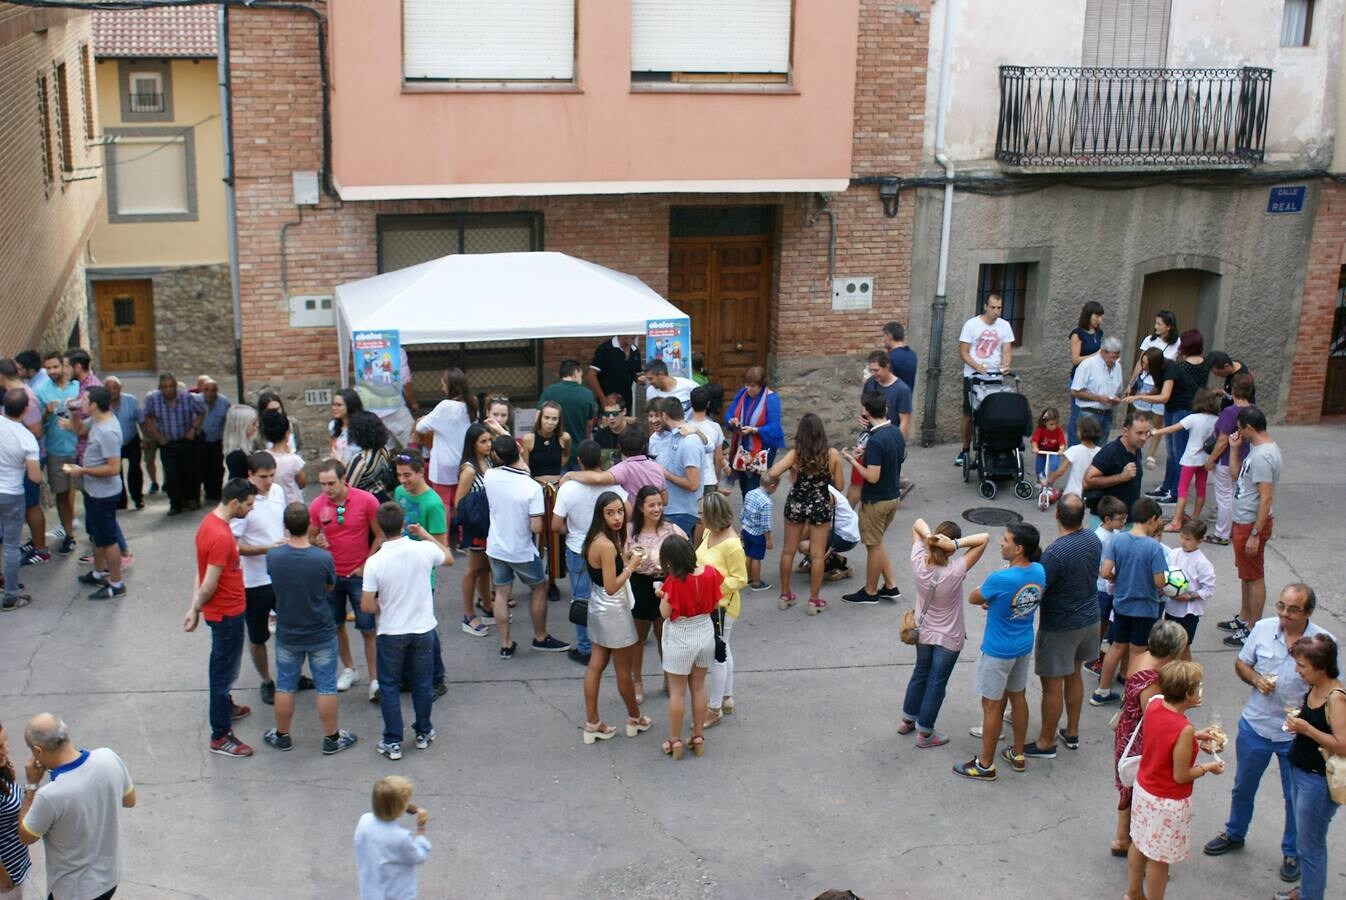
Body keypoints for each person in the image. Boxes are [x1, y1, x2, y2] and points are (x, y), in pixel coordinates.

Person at [1203, 584, 1333, 885]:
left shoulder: (1323, 641)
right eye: (1281, 606)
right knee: (1242, 787)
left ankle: (1292, 851)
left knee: (1294, 798)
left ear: (1308, 612)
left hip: (1296, 735)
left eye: (1293, 609)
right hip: (1256, 725)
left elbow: (1330, 686)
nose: (1284, 614)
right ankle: (1234, 833)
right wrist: (1256, 679)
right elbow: (1241, 664)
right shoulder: (1261, 629)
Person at [262, 502, 357, 755]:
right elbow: (328, 587)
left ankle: (282, 735)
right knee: (325, 686)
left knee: (285, 684)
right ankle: (331, 738)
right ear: (308, 525)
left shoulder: (274, 556)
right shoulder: (322, 558)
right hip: (320, 630)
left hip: (288, 630)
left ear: (286, 526)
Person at [953, 523, 1045, 781]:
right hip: (1023, 644)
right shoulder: (1038, 571)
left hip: (997, 650)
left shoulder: (1000, 578)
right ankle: (1017, 753)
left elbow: (974, 597)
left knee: (991, 706)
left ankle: (985, 764)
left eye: (1005, 540)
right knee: (1018, 697)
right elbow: (1021, 600)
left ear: (1019, 549)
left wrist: (991, 601)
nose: (1000, 543)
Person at [1126, 661, 1224, 900]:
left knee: (1139, 843)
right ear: (1188, 693)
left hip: (1144, 789)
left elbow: (1163, 737)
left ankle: (1133, 894)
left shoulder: (1155, 704)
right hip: (1167, 801)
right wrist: (1208, 767)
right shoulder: (1184, 728)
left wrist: (1194, 737)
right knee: (1159, 860)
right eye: (1197, 687)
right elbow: (1181, 775)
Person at [361, 502, 452, 760]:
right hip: (423, 627)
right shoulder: (423, 550)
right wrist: (425, 535)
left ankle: (392, 740)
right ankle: (423, 731)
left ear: (379, 527)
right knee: (422, 682)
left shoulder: (375, 562)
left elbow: (367, 604)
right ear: (402, 524)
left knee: (389, 686)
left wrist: (386, 606)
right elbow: (448, 557)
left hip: (391, 631)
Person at [15, 715, 135, 900]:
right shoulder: (108, 757)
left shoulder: (50, 796)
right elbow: (129, 800)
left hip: (73, 892)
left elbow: (25, 836)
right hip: (110, 878)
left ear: (38, 751)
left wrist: (31, 786)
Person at [1023, 495, 1102, 759]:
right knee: (1075, 674)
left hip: (1060, 627)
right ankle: (1072, 731)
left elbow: (1038, 589)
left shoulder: (1055, 553)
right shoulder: (1092, 539)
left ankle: (1045, 742)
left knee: (1052, 686)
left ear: (1057, 514)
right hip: (1090, 619)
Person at [900, 518, 990, 748]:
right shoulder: (955, 569)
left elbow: (917, 523)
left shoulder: (918, 560)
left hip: (923, 631)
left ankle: (908, 719)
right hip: (950, 637)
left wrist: (930, 535)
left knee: (920, 672)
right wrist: (956, 545)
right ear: (949, 548)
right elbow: (984, 539)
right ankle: (925, 734)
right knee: (937, 682)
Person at [185, 478, 258, 758]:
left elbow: (201, 573)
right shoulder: (221, 536)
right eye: (248, 505)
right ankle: (221, 735)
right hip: (226, 613)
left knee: (225, 668)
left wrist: (195, 607)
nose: (250, 510)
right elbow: (209, 583)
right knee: (222, 673)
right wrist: (196, 606)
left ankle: (225, 706)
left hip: (224, 611)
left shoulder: (209, 525)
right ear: (235, 503)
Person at [482, 435, 570, 659]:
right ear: (519, 451)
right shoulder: (531, 487)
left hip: (496, 546)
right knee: (538, 588)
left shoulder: (490, 476)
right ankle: (540, 637)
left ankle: (505, 643)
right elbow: (537, 527)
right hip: (521, 549)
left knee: (501, 593)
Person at [1110, 620, 1189, 857]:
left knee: (1128, 786)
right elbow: (1154, 718)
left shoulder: (1144, 657)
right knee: (1137, 787)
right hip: (1139, 740)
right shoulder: (1151, 680)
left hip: (1128, 731)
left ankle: (1122, 838)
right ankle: (1135, 843)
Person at [308, 459, 384, 699]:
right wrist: (316, 542)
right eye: (322, 484)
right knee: (336, 625)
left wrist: (366, 565)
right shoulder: (317, 505)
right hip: (330, 576)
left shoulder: (366, 500)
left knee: (368, 628)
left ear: (344, 480)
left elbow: (380, 535)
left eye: (331, 483)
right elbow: (309, 537)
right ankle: (349, 668)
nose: (326, 489)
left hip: (358, 576)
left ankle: (375, 678)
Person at [1278, 634, 1345, 900]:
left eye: (1302, 666)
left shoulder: (1336, 698)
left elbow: (1342, 744)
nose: (1297, 671)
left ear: (1321, 666)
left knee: (1311, 847)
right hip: (1300, 770)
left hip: (1317, 781)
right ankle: (1305, 891)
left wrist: (1307, 728)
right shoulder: (1313, 688)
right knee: (1306, 841)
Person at [577, 490, 647, 743]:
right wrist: (631, 566)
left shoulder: (598, 538)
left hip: (598, 607)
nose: (617, 517)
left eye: (619, 511)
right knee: (623, 671)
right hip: (613, 609)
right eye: (610, 513)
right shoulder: (606, 544)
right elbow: (611, 586)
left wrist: (625, 558)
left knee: (596, 665)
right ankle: (634, 718)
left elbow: (603, 577)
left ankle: (592, 722)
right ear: (600, 514)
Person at [553, 440, 628, 666]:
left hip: (578, 549)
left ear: (578, 461)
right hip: (608, 549)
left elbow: (556, 525)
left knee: (582, 599)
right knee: (610, 595)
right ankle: (613, 641)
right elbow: (630, 513)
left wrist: (572, 531)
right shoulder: (613, 487)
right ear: (601, 460)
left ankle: (586, 648)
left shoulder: (568, 487)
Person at [1092, 498, 1167, 705]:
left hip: (1121, 603)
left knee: (1116, 647)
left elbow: (1105, 571)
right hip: (1145, 608)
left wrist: (1118, 577)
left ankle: (1102, 691)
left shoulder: (1117, 540)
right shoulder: (1154, 547)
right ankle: (1130, 697)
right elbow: (1159, 581)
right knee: (1138, 652)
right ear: (1152, 519)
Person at [770, 412, 844, 614]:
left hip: (796, 503)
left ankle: (785, 595)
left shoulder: (796, 455)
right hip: (820, 504)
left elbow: (773, 472)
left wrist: (792, 471)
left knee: (788, 551)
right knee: (818, 554)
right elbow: (840, 485)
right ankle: (814, 600)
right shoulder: (833, 455)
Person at [231, 451, 287, 705]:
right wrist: (267, 549)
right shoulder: (243, 505)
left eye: (272, 475)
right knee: (257, 635)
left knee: (290, 627)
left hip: (280, 575)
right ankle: (266, 680)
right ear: (250, 475)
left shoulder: (277, 492)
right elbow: (233, 546)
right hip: (254, 581)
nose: (269, 481)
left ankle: (291, 674)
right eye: (263, 477)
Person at [1222, 406, 1280, 648]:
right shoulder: (1257, 451)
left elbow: (1265, 498)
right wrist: (1234, 450)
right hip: (1243, 521)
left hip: (1251, 524)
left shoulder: (1263, 456)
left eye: (1240, 430)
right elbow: (1237, 477)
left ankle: (1253, 627)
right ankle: (1244, 617)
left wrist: (1255, 533)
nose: (1239, 434)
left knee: (1254, 575)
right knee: (1246, 573)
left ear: (1249, 427)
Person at [657, 535, 719, 759]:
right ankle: (697, 735)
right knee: (699, 686)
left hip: (681, 636)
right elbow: (714, 601)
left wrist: (662, 595)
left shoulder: (673, 581)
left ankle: (674, 741)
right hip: (705, 631)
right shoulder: (710, 573)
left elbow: (665, 613)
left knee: (677, 692)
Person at [65, 388, 127, 601]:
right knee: (97, 535)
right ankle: (98, 572)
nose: (81, 402)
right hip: (93, 491)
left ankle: (116, 583)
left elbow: (112, 468)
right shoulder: (97, 420)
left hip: (104, 494)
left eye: (84, 400)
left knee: (108, 539)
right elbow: (79, 429)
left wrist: (82, 471)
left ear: (94, 405)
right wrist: (73, 411)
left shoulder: (107, 431)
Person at [625, 485, 685, 702]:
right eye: (651, 505)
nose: (656, 508)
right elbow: (621, 560)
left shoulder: (672, 530)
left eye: (659, 504)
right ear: (641, 507)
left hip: (664, 585)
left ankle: (669, 678)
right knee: (637, 638)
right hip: (638, 584)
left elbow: (686, 556)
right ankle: (637, 681)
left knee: (664, 636)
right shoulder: (630, 531)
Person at [841, 394, 902, 607]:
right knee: (878, 542)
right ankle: (891, 585)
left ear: (865, 411)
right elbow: (896, 458)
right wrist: (865, 454)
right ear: (885, 408)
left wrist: (852, 460)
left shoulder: (876, 440)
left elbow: (872, 477)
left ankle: (870, 591)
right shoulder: (895, 432)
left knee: (873, 546)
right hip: (893, 496)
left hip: (876, 501)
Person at [697, 494, 747, 728]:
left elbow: (740, 578)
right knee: (724, 648)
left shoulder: (732, 544)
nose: (699, 517)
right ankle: (726, 697)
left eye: (702, 514)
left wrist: (712, 588)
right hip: (712, 603)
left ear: (712, 516)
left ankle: (714, 707)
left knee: (717, 655)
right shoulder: (709, 533)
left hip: (722, 607)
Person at [955, 293, 1015, 467]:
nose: (996, 311)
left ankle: (993, 447)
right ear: (985, 306)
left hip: (995, 377)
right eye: (993, 307)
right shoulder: (972, 325)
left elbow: (1007, 351)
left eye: (999, 308)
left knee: (995, 413)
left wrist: (1006, 365)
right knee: (969, 414)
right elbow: (963, 352)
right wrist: (976, 366)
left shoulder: (1004, 326)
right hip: (973, 376)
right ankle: (965, 449)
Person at [1150, 387, 1220, 532]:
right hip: (1205, 459)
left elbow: (1172, 428)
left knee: (1182, 491)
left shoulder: (1193, 418)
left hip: (1190, 459)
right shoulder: (1216, 420)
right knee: (1201, 490)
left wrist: (1155, 431)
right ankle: (1194, 519)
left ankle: (1176, 521)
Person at [1152, 329, 1209, 505]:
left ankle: (1173, 490)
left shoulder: (1181, 366)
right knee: (1178, 451)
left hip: (1178, 408)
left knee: (1175, 452)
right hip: (1193, 408)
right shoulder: (1205, 364)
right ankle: (1169, 487)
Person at [521, 400, 569, 602]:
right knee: (536, 536)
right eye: (547, 418)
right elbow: (524, 466)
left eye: (554, 419)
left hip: (557, 491)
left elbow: (565, 458)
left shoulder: (564, 438)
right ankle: (536, 579)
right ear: (540, 418)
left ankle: (552, 582)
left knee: (556, 537)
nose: (550, 422)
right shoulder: (529, 438)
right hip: (536, 491)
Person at [0, 360, 47, 566]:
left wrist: (12, 439)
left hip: (29, 460)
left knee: (31, 504)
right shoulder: (13, 395)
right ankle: (34, 543)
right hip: (18, 460)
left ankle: (41, 549)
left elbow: (36, 431)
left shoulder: (26, 397)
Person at [354, 775, 430, 900]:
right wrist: (420, 829)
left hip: (371, 890)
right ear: (400, 808)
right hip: (395, 894)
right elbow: (419, 857)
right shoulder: (401, 837)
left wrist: (404, 805)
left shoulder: (364, 820)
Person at [449, 428, 493, 636]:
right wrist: (466, 528)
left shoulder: (489, 461)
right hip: (475, 525)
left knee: (485, 568)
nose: (488, 444)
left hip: (488, 524)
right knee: (474, 569)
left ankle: (487, 606)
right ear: (473, 444)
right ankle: (468, 615)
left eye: (489, 440)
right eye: (483, 441)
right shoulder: (469, 469)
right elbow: (459, 501)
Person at [34, 351, 80, 546]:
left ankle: (97, 538)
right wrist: (46, 412)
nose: (52, 371)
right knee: (61, 493)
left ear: (63, 366)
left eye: (55, 367)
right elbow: (36, 424)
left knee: (89, 492)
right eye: (48, 368)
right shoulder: (41, 391)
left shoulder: (78, 386)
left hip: (79, 447)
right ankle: (69, 535)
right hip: (56, 450)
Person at [142, 372, 204, 517]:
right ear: (160, 388)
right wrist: (157, 435)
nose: (168, 390)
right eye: (165, 387)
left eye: (171, 386)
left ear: (176, 386)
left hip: (185, 441)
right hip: (167, 443)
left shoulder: (186, 397)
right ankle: (175, 503)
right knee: (172, 474)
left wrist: (193, 429)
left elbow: (201, 412)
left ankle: (191, 498)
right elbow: (147, 416)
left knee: (190, 472)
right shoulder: (153, 399)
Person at [0, 389, 41, 611]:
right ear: (25, 410)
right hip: (12, 494)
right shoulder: (27, 438)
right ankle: (11, 595)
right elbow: (35, 477)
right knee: (11, 545)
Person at [1203, 372, 1253, 548]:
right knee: (1235, 496)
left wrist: (1211, 459)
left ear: (1233, 389)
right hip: (1245, 459)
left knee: (1224, 498)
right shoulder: (1253, 410)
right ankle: (1234, 528)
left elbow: (1222, 440)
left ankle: (1221, 533)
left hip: (1225, 461)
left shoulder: (1230, 412)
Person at [415, 368, 475, 510]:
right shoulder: (471, 405)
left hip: (443, 463)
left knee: (443, 504)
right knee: (462, 502)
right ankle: (463, 533)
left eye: (443, 382)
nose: (441, 385)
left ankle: (442, 532)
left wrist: (426, 419)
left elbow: (420, 428)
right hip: (465, 463)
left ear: (449, 385)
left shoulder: (444, 406)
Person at [1128, 310, 1180, 471]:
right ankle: (1134, 448)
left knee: (1158, 421)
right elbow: (1140, 362)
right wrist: (1131, 383)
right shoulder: (1150, 340)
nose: (1156, 326)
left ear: (1169, 327)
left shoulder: (1177, 343)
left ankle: (1151, 454)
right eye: (1155, 323)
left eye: (1159, 324)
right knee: (1140, 418)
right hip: (1146, 383)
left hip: (1162, 385)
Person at [1086, 495, 1130, 678]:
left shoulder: (1117, 534)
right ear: (1107, 519)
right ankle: (1092, 656)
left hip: (1113, 586)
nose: (1124, 522)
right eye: (1121, 519)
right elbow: (1094, 565)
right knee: (1100, 624)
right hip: (1102, 587)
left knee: (1107, 623)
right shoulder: (1099, 538)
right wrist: (1110, 574)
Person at [724, 366, 784, 498]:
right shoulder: (742, 394)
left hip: (761, 450)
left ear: (761, 385)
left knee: (754, 487)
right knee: (744, 485)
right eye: (747, 385)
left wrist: (754, 430)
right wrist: (731, 421)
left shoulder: (771, 400)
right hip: (743, 449)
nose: (749, 389)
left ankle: (753, 512)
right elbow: (729, 413)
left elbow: (774, 428)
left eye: (753, 386)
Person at [1083, 411, 1150, 521]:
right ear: (1125, 431)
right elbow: (1087, 481)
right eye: (1139, 433)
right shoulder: (1110, 452)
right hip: (1107, 522)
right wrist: (1121, 477)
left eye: (1146, 433)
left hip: (1127, 520)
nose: (1144, 438)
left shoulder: (1136, 448)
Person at [1163, 520, 1216, 657]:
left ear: (1199, 541)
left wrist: (1190, 596)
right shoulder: (1174, 554)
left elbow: (1209, 589)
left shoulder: (1202, 563)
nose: (1183, 541)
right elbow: (1165, 575)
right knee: (1169, 643)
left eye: (1188, 539)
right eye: (1182, 537)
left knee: (1184, 645)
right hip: (1171, 607)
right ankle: (1171, 672)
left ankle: (1189, 676)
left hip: (1188, 612)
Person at [656, 397, 703, 538]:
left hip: (681, 513)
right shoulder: (676, 436)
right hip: (672, 510)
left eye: (659, 416)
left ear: (664, 415)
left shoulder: (689, 442)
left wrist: (666, 474)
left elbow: (693, 484)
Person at [538, 359, 597, 467]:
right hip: (578, 452)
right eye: (580, 374)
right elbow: (589, 425)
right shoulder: (587, 394)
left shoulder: (549, 391)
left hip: (553, 451)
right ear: (576, 373)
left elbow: (537, 419)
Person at [0, 718, 35, 896]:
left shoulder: (2, 768)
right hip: (6, 877)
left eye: (5, 742)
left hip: (16, 864)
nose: (5, 750)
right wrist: (5, 882)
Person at [1125, 346, 1174, 472]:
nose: (1144, 366)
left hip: (1175, 404)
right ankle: (1131, 450)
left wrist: (1139, 396)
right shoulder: (1156, 371)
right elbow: (1156, 389)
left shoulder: (1168, 370)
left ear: (1155, 364)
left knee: (1159, 424)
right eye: (1143, 362)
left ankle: (1150, 455)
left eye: (1147, 364)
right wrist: (1136, 393)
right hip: (1152, 392)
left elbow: (1163, 396)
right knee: (1137, 419)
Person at [1069, 336, 1124, 445]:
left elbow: (1118, 390)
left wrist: (1117, 399)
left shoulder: (1117, 366)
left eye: (1116, 357)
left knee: (1100, 452)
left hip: (1107, 414)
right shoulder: (1087, 365)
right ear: (1103, 352)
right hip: (1089, 414)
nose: (1114, 361)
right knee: (1085, 450)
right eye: (1112, 357)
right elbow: (1075, 391)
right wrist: (1098, 398)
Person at [1067, 301, 1105, 444]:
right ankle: (1073, 447)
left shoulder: (1098, 333)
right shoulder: (1077, 334)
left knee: (1089, 416)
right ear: (1088, 315)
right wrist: (1097, 355)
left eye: (1101, 317)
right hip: (1078, 378)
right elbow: (1075, 359)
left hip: (1093, 379)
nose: (1099, 320)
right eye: (1097, 316)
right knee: (1077, 416)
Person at [104, 377, 145, 511]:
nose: (112, 391)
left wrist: (145, 439)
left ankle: (138, 497)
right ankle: (121, 501)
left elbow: (141, 420)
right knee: (116, 472)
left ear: (120, 388)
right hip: (113, 444)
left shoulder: (131, 400)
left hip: (132, 439)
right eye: (108, 389)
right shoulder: (102, 404)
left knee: (135, 468)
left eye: (114, 388)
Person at [373, 346, 420, 449]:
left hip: (372, 409)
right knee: (412, 445)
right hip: (394, 407)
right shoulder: (397, 350)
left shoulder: (364, 350)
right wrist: (413, 402)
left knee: (384, 451)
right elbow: (405, 382)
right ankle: (413, 464)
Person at [586, 335, 642, 419]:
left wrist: (643, 379)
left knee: (626, 431)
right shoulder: (605, 349)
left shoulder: (635, 350)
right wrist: (603, 400)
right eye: (631, 333)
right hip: (609, 406)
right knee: (607, 431)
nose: (634, 335)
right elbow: (590, 376)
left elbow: (637, 375)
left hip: (626, 404)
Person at [345, 412, 395, 502]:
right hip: (382, 497)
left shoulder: (360, 459)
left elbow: (347, 489)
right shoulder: (384, 450)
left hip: (365, 502)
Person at [1047, 414, 1101, 499]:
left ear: (1080, 432)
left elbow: (1061, 471)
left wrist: (1049, 480)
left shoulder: (1074, 450)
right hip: (1089, 493)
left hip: (1073, 492)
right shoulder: (1100, 451)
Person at [739, 473, 778, 591]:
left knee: (748, 554)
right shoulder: (766, 502)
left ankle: (748, 577)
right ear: (772, 486)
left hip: (746, 529)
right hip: (757, 534)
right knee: (756, 557)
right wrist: (768, 539)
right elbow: (765, 524)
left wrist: (743, 526)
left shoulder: (750, 493)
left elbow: (743, 511)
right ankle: (756, 583)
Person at [260, 409, 306, 505]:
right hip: (292, 506)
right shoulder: (294, 460)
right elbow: (302, 483)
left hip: (271, 504)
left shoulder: (262, 457)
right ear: (286, 434)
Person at [688, 386, 726, 499]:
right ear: (708, 404)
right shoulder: (715, 427)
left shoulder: (685, 427)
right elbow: (718, 458)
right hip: (709, 478)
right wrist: (717, 479)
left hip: (690, 478)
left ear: (690, 403)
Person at [196, 378, 230, 503]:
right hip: (200, 441)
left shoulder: (224, 403)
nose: (210, 393)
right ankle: (207, 490)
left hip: (216, 440)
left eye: (213, 390)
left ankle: (216, 492)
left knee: (217, 467)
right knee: (202, 466)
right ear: (202, 390)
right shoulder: (195, 400)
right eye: (207, 390)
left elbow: (227, 422)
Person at [1030, 407, 1067, 482]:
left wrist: (1061, 449)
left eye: (1056, 424)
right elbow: (1035, 440)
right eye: (1051, 424)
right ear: (1044, 423)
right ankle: (1041, 480)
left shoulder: (1058, 431)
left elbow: (1062, 442)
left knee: (1054, 465)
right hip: (1042, 452)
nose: (1054, 426)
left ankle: (1050, 480)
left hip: (1054, 452)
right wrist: (1035, 447)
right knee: (1039, 468)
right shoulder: (1040, 430)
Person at [328, 388, 363, 465]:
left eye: (339, 405)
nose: (334, 408)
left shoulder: (362, 428)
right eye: (333, 404)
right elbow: (333, 448)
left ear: (350, 405)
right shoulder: (333, 426)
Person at [882, 320, 918, 396]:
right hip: (906, 402)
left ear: (890, 336)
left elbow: (884, 384)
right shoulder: (912, 355)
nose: (883, 340)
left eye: (884, 336)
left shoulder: (890, 357)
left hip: (892, 404)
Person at [592, 393, 629, 465]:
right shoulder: (600, 436)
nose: (611, 417)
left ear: (624, 411)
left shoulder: (635, 435)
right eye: (607, 414)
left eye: (615, 413)